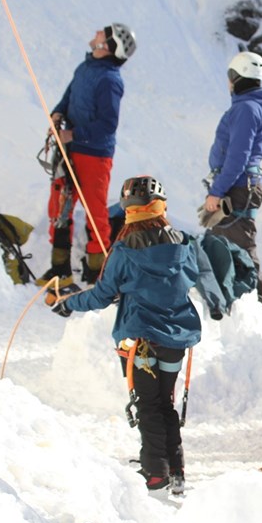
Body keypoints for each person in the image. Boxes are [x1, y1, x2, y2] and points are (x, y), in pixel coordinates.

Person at [45, 176, 201, 493]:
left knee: (147, 405)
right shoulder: (183, 244)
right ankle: (176, 470)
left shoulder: (123, 250)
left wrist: (68, 304)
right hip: (176, 339)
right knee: (165, 404)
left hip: (140, 341)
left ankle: (155, 472)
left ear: (129, 211)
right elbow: (187, 280)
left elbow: (102, 295)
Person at [37, 23, 137, 288]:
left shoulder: (110, 81)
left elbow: (108, 125)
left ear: (108, 46)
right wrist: (58, 112)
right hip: (71, 148)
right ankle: (59, 268)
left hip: (94, 154)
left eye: (102, 33)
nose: (96, 33)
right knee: (59, 205)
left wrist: (74, 134)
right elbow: (68, 97)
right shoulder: (85, 68)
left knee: (95, 213)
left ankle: (97, 274)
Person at [203, 51, 262, 308]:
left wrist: (217, 190)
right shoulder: (255, 106)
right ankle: (234, 301)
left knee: (239, 243)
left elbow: (238, 155)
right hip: (242, 184)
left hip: (236, 186)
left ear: (236, 77)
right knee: (224, 241)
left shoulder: (246, 109)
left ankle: (258, 302)